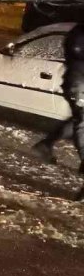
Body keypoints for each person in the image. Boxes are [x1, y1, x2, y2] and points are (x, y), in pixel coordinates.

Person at [32, 22, 84, 201]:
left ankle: (46, 144)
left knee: (78, 120)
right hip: (78, 82)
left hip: (78, 81)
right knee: (82, 121)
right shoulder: (79, 34)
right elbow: (76, 53)